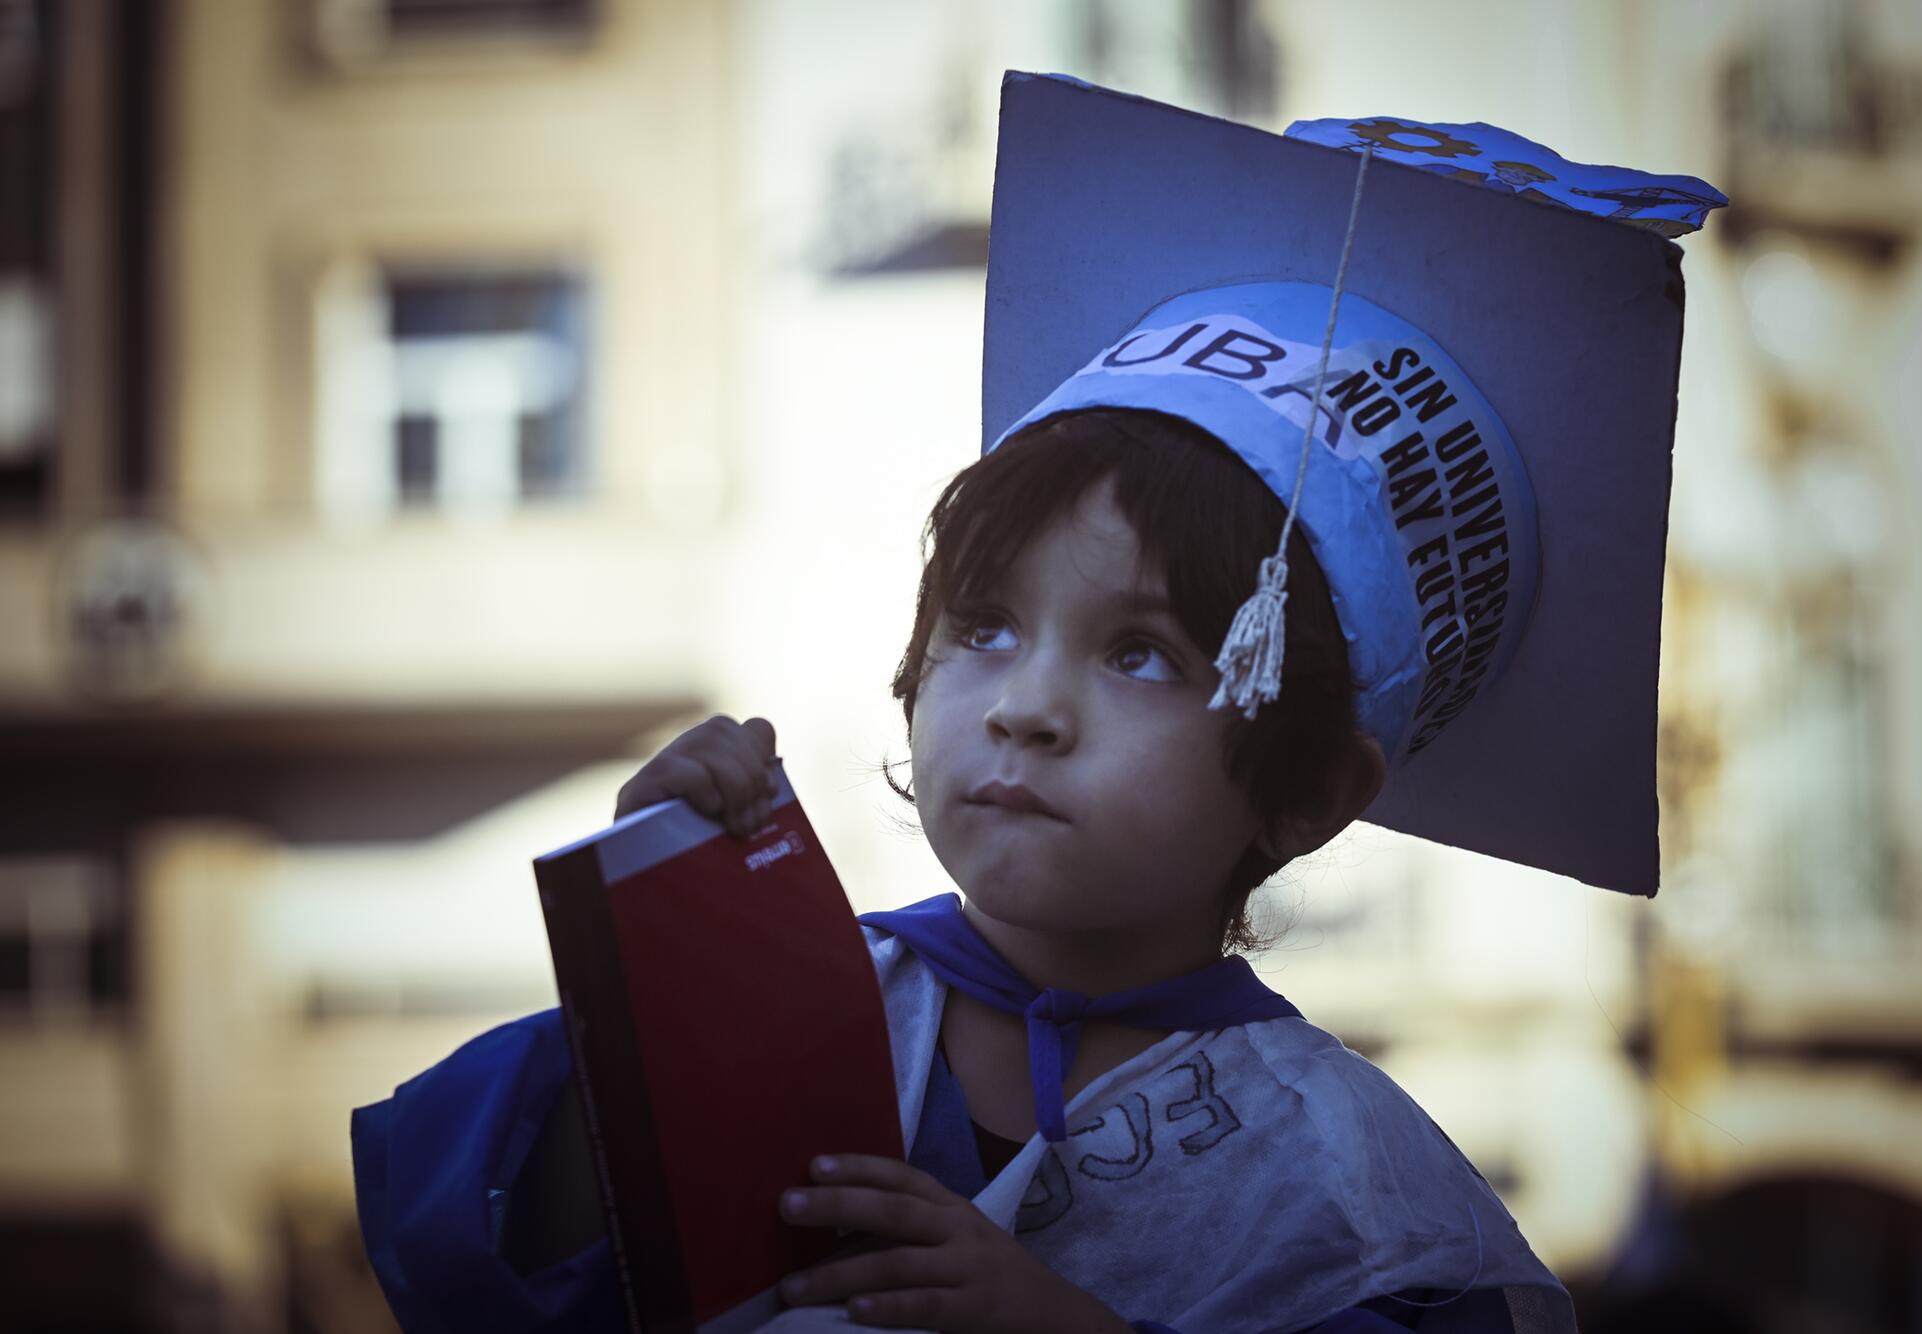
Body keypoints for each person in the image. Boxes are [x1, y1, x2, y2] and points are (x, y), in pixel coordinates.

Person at [353, 72, 1725, 1334]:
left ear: (1307, 794)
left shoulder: (1355, 1178)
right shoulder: (803, 999)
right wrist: (658, 977)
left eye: (1142, 655)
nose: (1024, 707)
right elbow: (511, 1273)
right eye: (985, 628)